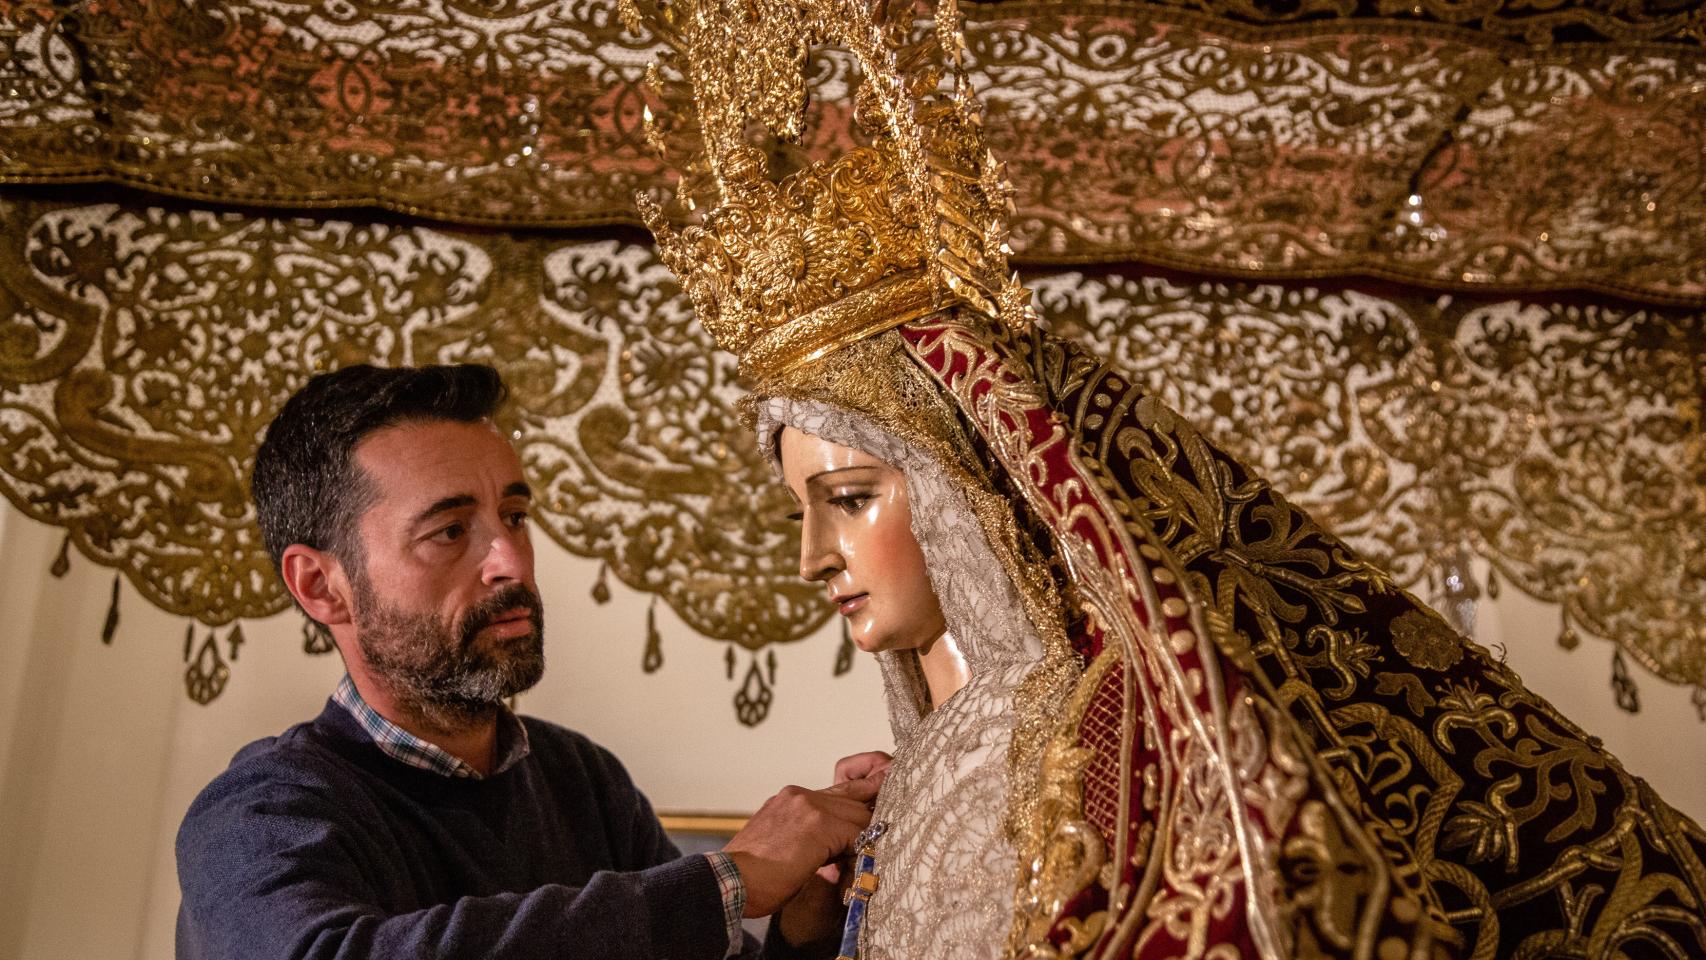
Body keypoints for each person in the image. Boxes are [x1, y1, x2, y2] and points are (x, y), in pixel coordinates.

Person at [632, 0, 1706, 956]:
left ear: (963, 491)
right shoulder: (906, 771)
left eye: (852, 497)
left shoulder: (1111, 741)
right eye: (801, 513)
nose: (816, 557)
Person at [175, 363, 865, 959]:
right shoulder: (257, 814)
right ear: (322, 586)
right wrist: (727, 882)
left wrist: (805, 924)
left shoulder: (582, 780)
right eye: (449, 531)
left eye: (514, 516)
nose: (509, 562)